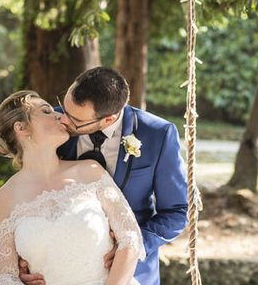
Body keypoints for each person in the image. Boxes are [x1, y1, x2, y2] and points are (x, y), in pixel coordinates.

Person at [19, 67, 189, 285]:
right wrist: (23, 260)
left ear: (109, 119)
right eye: (64, 107)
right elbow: (25, 195)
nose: (62, 120)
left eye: (74, 119)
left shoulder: (157, 134)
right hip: (58, 269)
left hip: (132, 273)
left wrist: (133, 245)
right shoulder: (52, 122)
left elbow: (176, 211)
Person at [0, 90, 145, 285]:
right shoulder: (4, 199)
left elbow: (130, 237)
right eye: (46, 111)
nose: (59, 116)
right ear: (21, 128)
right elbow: (4, 276)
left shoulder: (91, 172)